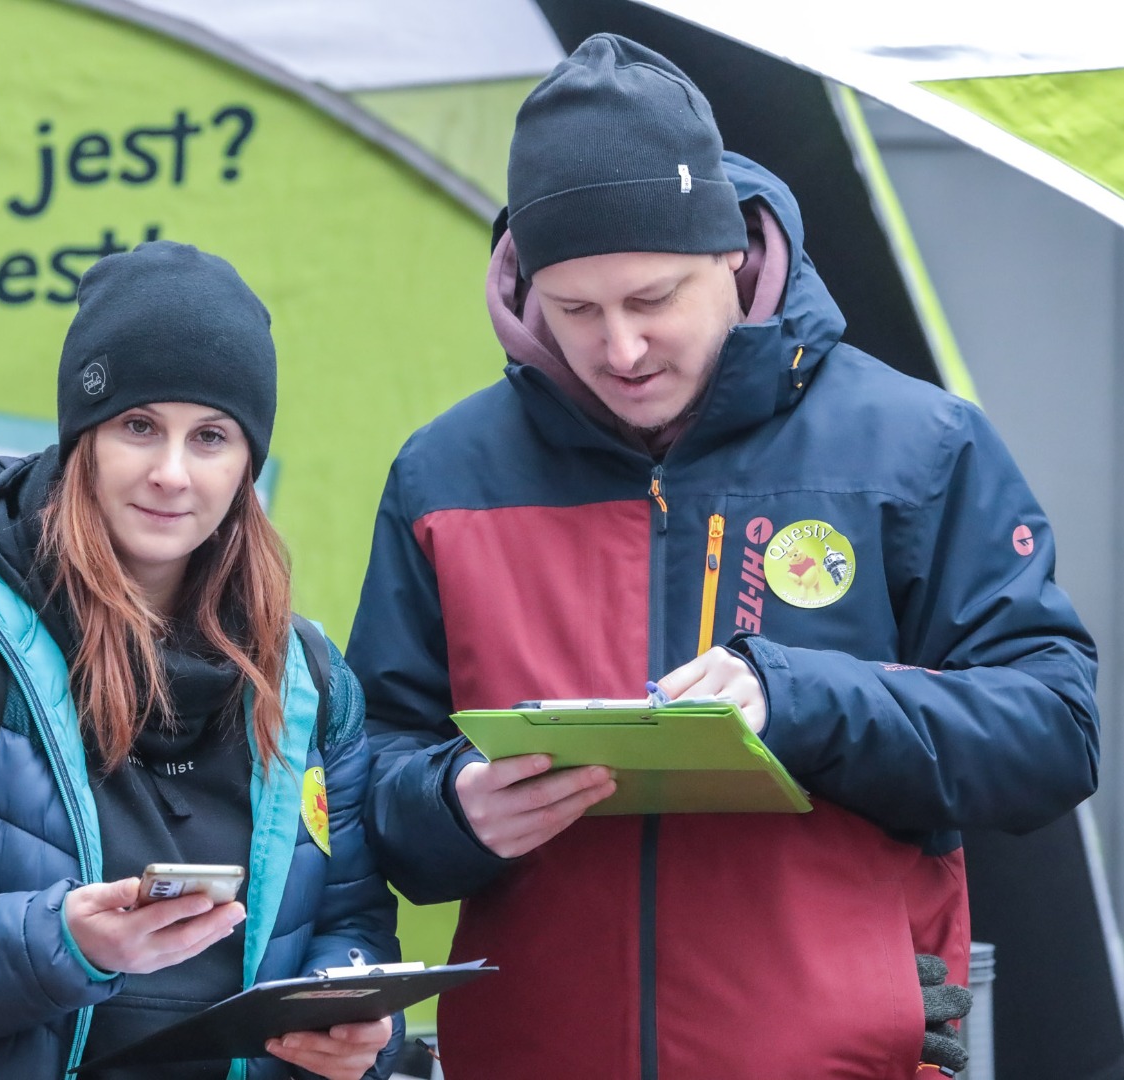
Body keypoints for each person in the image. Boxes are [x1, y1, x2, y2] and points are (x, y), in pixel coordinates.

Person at [346, 33, 1099, 1079]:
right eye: (575, 311)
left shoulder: (915, 444)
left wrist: (795, 699)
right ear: (524, 290)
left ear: (732, 256)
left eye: (653, 300)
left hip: (841, 1061)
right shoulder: (445, 475)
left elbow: (1052, 733)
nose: (619, 349)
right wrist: (450, 804)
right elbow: (360, 770)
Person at [0, 241, 402, 1080]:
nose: (172, 474)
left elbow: (351, 924)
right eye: (138, 426)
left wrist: (356, 1026)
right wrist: (63, 942)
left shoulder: (312, 680)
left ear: (246, 463)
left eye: (211, 436)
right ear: (84, 438)